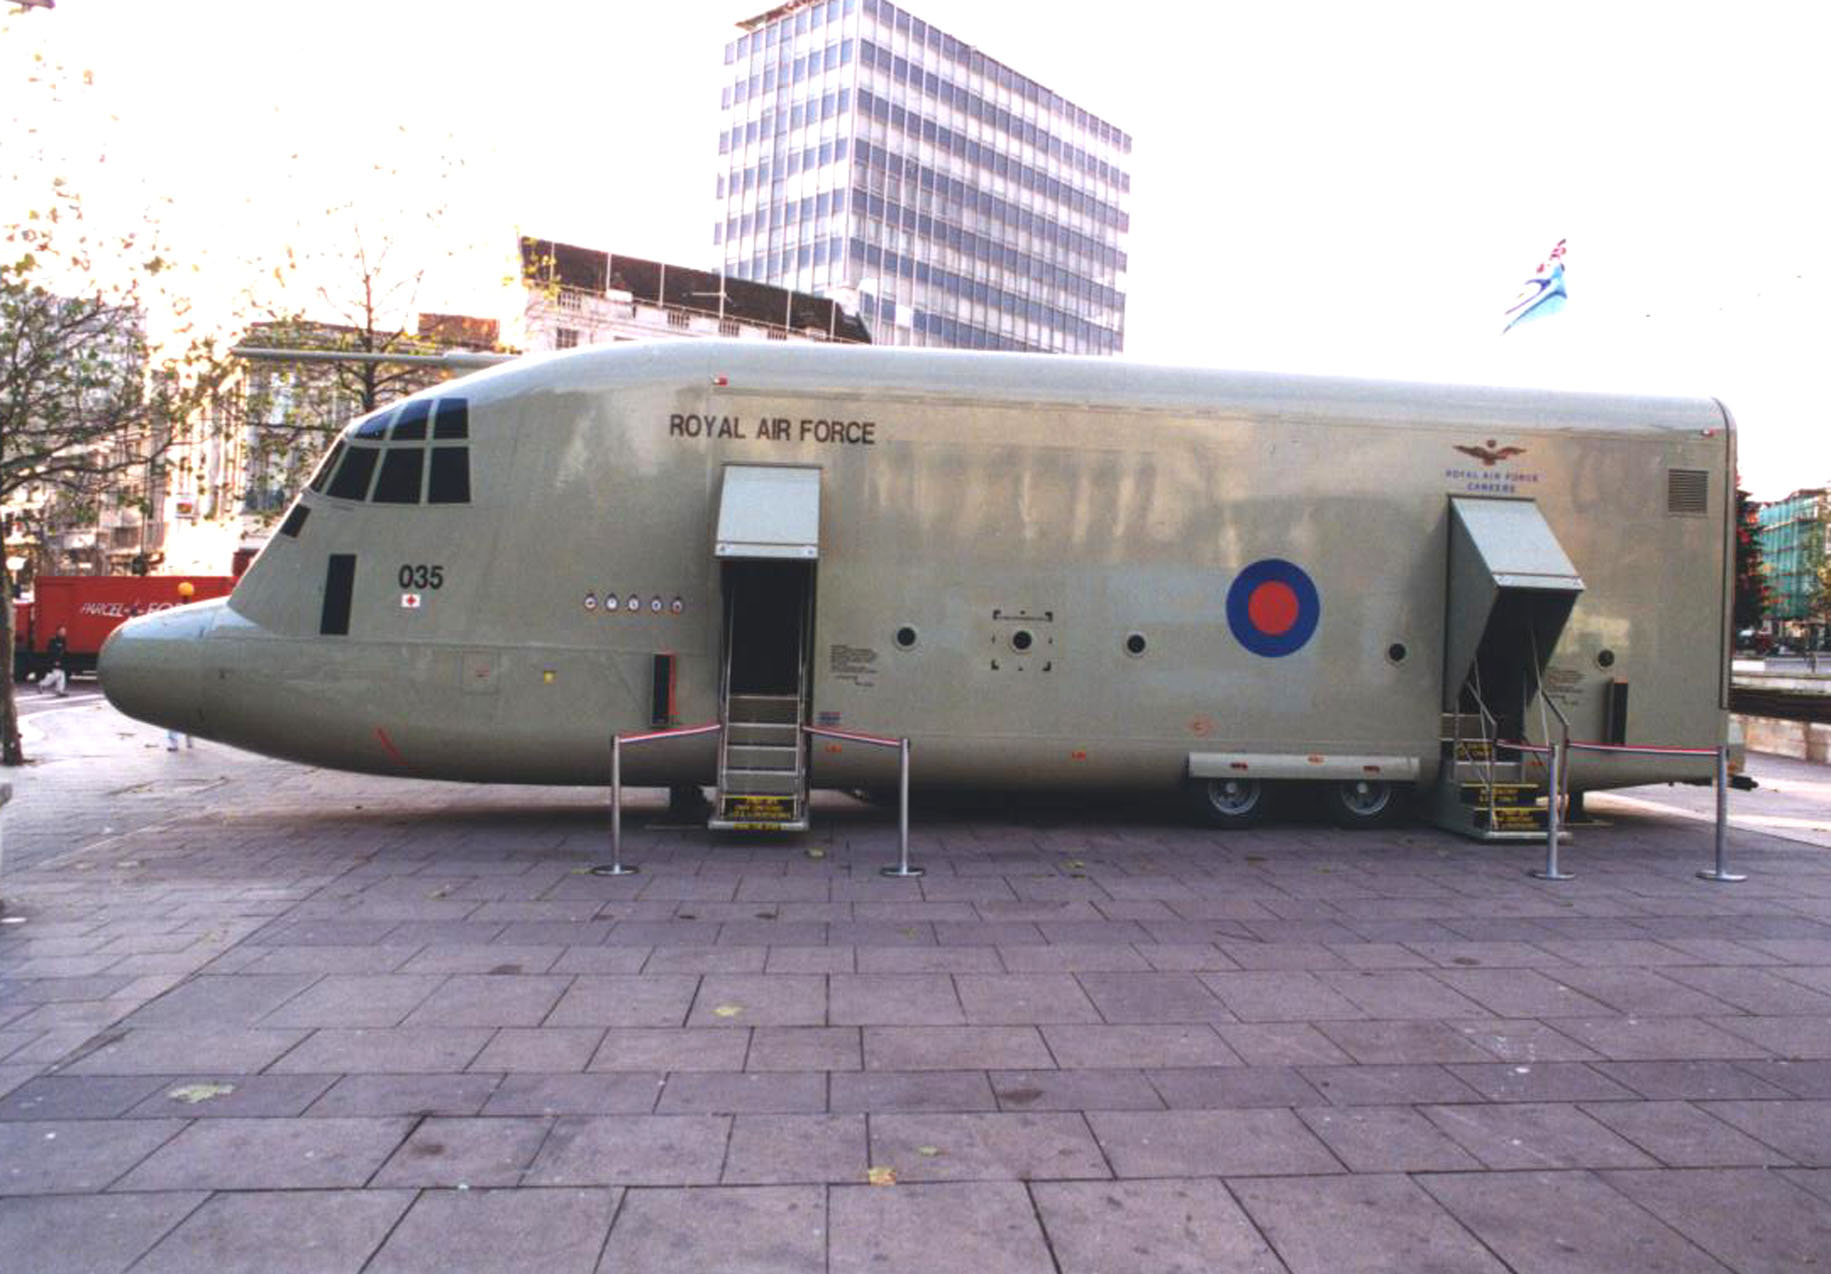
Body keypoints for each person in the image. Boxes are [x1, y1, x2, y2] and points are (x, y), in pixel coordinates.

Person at [41, 626, 69, 696]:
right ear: (58, 632)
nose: (63, 633)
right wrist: (54, 660)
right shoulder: (53, 640)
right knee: (56, 675)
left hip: (61, 660)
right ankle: (42, 684)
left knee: (61, 675)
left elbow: (63, 651)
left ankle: (59, 691)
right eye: (62, 631)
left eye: (64, 631)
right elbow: (50, 651)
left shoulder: (63, 640)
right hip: (54, 660)